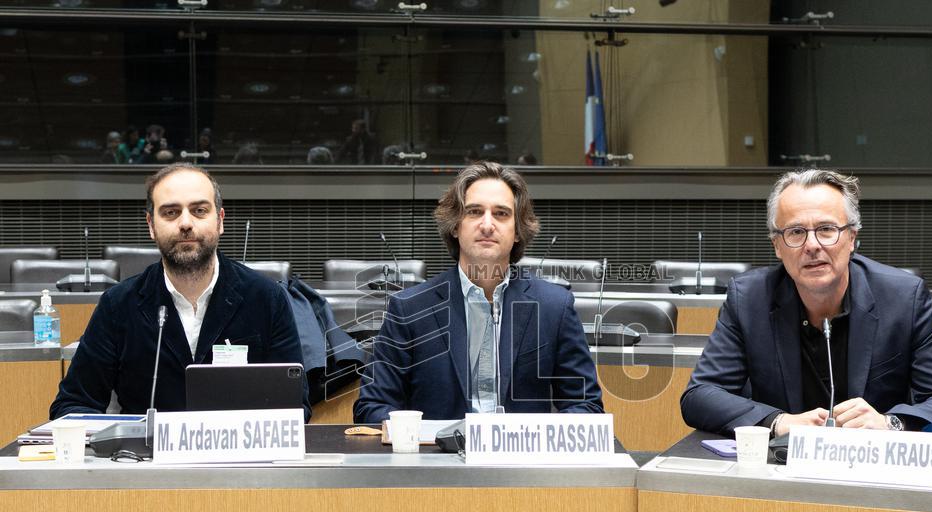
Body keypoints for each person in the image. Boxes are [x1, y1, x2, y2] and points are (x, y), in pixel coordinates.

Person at [680, 169, 932, 438]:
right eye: (795, 232)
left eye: (826, 229)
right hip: (782, 472)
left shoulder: (903, 299)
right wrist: (778, 422)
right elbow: (700, 395)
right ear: (777, 247)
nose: (812, 245)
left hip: (875, 473)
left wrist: (889, 424)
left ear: (851, 238)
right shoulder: (749, 300)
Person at [51, 163, 309, 419]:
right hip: (146, 456)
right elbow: (72, 405)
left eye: (199, 210)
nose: (186, 223)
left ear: (220, 221)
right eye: (171, 213)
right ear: (151, 225)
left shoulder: (266, 299)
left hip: (239, 457)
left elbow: (295, 406)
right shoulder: (118, 305)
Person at [354, 161, 603, 423]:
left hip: (522, 460)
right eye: (474, 212)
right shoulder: (409, 308)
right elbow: (372, 407)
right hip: (438, 460)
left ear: (518, 230)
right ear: (455, 226)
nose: (487, 224)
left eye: (501, 214)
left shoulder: (554, 307)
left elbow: (586, 405)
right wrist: (421, 436)